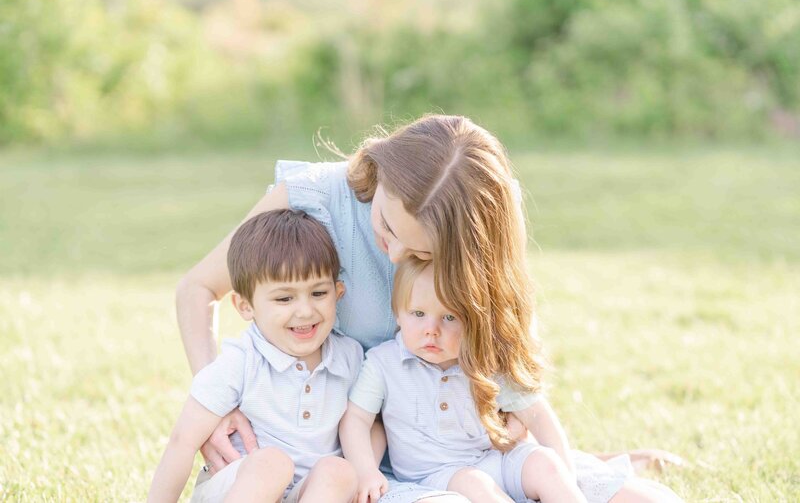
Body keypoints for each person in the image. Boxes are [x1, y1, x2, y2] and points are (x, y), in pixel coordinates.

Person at [176, 114, 680, 502]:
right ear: (381, 176)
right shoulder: (313, 197)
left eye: (420, 254)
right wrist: (218, 408)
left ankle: (599, 466)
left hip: (451, 449)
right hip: (344, 463)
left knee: (641, 499)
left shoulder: (468, 250)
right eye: (388, 227)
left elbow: (503, 367)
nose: (394, 254)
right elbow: (197, 289)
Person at [149, 209, 362, 503]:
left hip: (304, 493)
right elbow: (182, 441)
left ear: (338, 293)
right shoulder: (242, 360)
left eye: (318, 293)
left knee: (340, 471)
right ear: (245, 306)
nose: (305, 310)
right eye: (284, 298)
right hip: (239, 488)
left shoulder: (349, 357)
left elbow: (365, 425)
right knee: (272, 463)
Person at [341, 258, 588, 503]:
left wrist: (566, 474)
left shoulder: (483, 360)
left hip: (495, 460)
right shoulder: (383, 363)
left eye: (449, 317)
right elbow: (356, 420)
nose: (431, 329)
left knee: (545, 465)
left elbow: (537, 415)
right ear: (398, 314)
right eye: (418, 314)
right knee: (475, 483)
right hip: (434, 474)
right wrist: (366, 471)